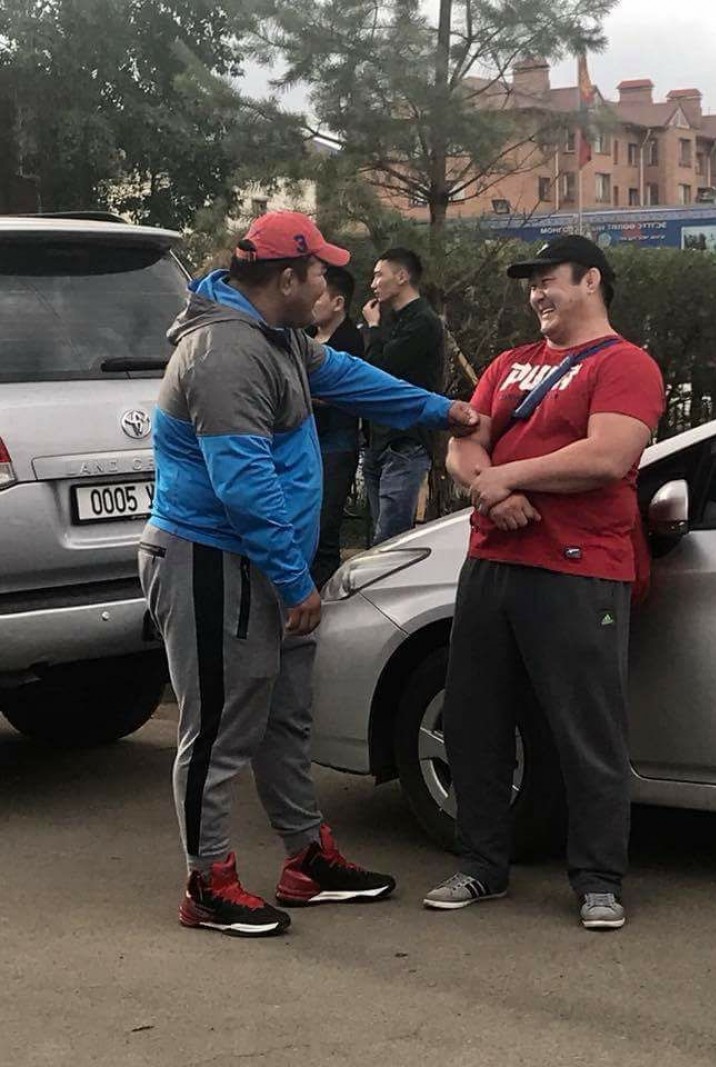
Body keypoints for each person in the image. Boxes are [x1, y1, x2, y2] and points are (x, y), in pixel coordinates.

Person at [138, 210, 479, 938]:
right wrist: (296, 581)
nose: (329, 284)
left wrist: (439, 410)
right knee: (218, 728)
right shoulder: (224, 353)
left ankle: (306, 858)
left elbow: (349, 377)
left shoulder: (279, 335)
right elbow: (243, 485)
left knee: (285, 718)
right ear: (287, 278)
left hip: (263, 561)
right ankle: (207, 882)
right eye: (320, 271)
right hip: (212, 558)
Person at [423, 234, 665, 930]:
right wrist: (491, 490)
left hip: (579, 570)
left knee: (587, 730)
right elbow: (463, 443)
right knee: (474, 721)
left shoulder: (626, 364)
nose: (536, 294)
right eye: (531, 283)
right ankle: (481, 865)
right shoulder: (509, 364)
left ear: (591, 281)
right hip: (492, 562)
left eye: (548, 279)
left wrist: (507, 475)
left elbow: (607, 455)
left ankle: (598, 880)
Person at [361, 247, 444, 543]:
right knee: (379, 539)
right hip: (379, 438)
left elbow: (379, 370)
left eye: (378, 275)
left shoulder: (423, 321)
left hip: (405, 440)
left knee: (390, 538)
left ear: (402, 276)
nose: (373, 284)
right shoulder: (392, 319)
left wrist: (372, 327)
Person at [309, 266, 363, 588]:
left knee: (325, 524)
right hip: (307, 441)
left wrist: (304, 394)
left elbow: (345, 392)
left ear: (338, 302)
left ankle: (323, 592)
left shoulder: (350, 341)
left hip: (336, 443)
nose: (312, 302)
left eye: (319, 296)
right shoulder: (304, 336)